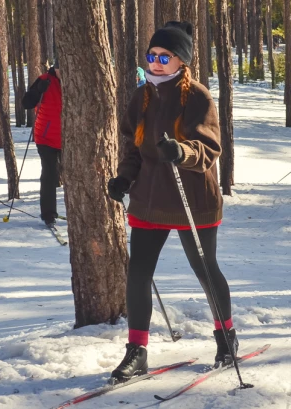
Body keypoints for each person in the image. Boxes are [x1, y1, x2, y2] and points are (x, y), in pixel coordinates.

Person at [107, 21, 237, 383]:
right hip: (149, 198)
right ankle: (137, 351)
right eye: (153, 55)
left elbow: (209, 149)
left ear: (182, 61)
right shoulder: (141, 96)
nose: (157, 62)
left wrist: (182, 151)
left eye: (166, 56)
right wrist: (123, 179)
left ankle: (226, 337)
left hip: (192, 197)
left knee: (205, 269)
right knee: (138, 274)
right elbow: (133, 147)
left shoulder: (197, 96)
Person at [22, 60, 62, 226]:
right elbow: (26, 103)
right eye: (61, 70)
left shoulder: (77, 78)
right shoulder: (45, 79)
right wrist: (38, 91)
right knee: (49, 175)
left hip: (69, 138)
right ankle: (48, 215)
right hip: (46, 137)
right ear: (56, 68)